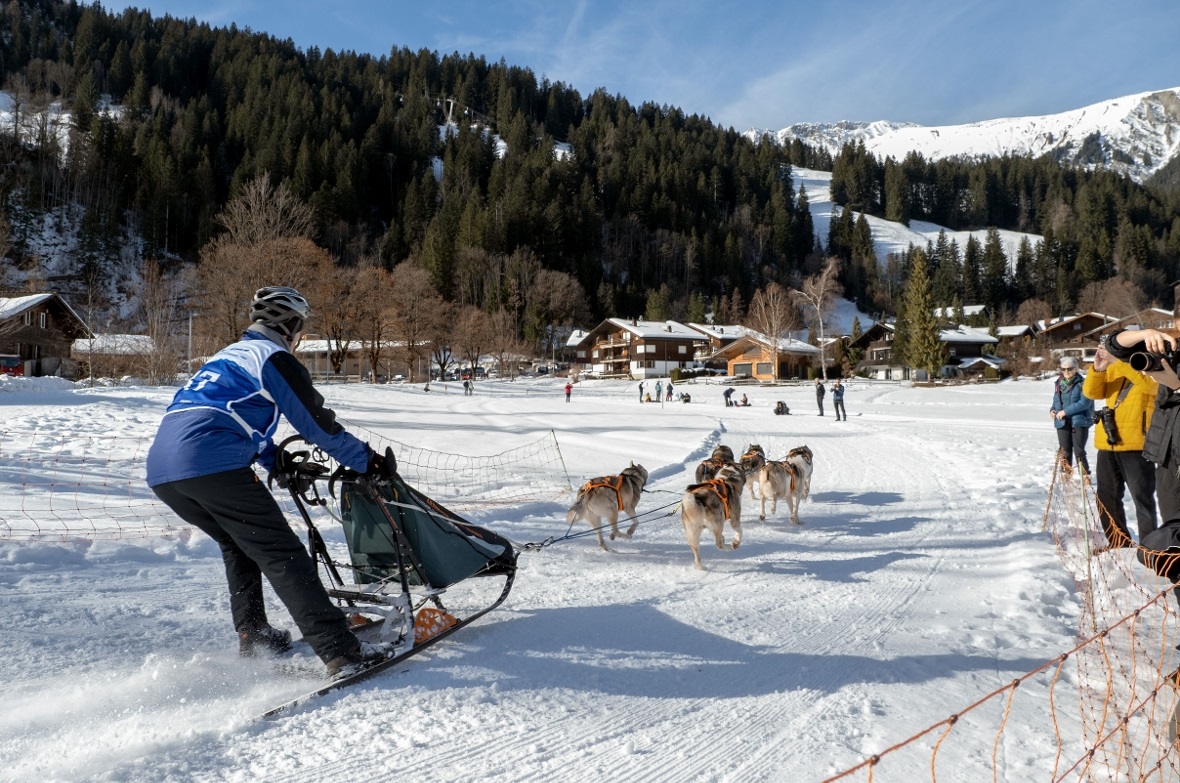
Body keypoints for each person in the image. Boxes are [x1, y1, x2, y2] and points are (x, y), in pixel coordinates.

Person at [146, 286, 395, 679]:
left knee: (238, 543)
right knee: (282, 554)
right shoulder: (274, 358)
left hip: (164, 471)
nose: (301, 337)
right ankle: (341, 651)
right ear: (291, 326)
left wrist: (272, 457)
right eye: (302, 329)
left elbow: (225, 415)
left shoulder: (225, 357)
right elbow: (317, 426)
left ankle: (255, 634)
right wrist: (368, 462)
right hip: (212, 463)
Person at [1082, 343, 1157, 551]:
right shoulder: (1114, 366)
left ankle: (1150, 549)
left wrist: (1121, 363)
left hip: (1137, 443)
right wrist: (1098, 368)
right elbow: (1091, 392)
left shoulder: (1148, 363)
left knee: (1142, 500)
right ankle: (1118, 543)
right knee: (1106, 498)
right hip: (1108, 441)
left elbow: (1152, 387)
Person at [1050, 356, 1093, 476]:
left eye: (1069, 369)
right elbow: (1056, 399)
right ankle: (1066, 474)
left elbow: (1085, 403)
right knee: (1064, 450)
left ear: (1076, 369)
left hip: (1079, 420)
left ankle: (1085, 475)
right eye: (1063, 369)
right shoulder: (1059, 382)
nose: (1066, 372)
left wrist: (1065, 412)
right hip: (1062, 421)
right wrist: (1053, 410)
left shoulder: (1084, 383)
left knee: (1079, 450)